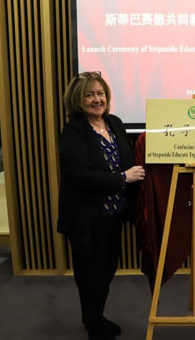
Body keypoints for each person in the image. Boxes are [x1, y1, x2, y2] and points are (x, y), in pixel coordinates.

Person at [57, 71, 145, 340]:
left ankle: (94, 316)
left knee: (106, 270)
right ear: (78, 99)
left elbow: (129, 156)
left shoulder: (115, 123)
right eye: (90, 95)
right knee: (89, 274)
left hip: (114, 215)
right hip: (87, 218)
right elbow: (78, 175)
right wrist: (122, 178)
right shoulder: (74, 130)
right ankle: (93, 324)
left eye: (100, 93)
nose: (97, 100)